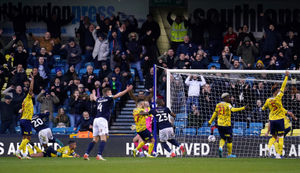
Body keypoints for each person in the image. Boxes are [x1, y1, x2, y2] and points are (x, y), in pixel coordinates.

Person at [83, 85, 133, 161]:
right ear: (107, 93)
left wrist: (93, 94)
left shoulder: (99, 99)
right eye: (110, 92)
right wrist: (126, 90)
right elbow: (118, 95)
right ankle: (99, 155)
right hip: (102, 120)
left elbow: (94, 98)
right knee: (104, 138)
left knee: (95, 139)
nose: (111, 93)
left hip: (96, 120)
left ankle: (86, 154)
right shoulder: (108, 98)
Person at [208, 93, 247, 158]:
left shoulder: (218, 105)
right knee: (229, 139)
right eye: (228, 97)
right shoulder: (228, 105)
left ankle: (220, 147)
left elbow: (215, 113)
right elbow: (233, 110)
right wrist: (243, 108)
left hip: (219, 124)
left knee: (223, 138)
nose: (229, 98)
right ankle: (229, 154)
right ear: (225, 98)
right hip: (227, 125)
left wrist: (210, 121)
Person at [262, 71, 289, 159]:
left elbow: (263, 108)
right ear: (276, 92)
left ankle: (268, 148)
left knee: (273, 136)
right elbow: (283, 86)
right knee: (281, 136)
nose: (278, 91)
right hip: (280, 119)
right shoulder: (279, 97)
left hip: (272, 120)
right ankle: (278, 154)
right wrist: (286, 77)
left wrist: (268, 108)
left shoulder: (268, 100)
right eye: (277, 91)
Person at [15, 74, 34, 159]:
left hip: (22, 120)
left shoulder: (24, 101)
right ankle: (18, 151)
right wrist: (32, 80)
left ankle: (24, 154)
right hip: (26, 120)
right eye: (31, 93)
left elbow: (21, 111)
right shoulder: (28, 98)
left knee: (24, 138)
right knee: (28, 138)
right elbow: (31, 89)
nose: (32, 94)